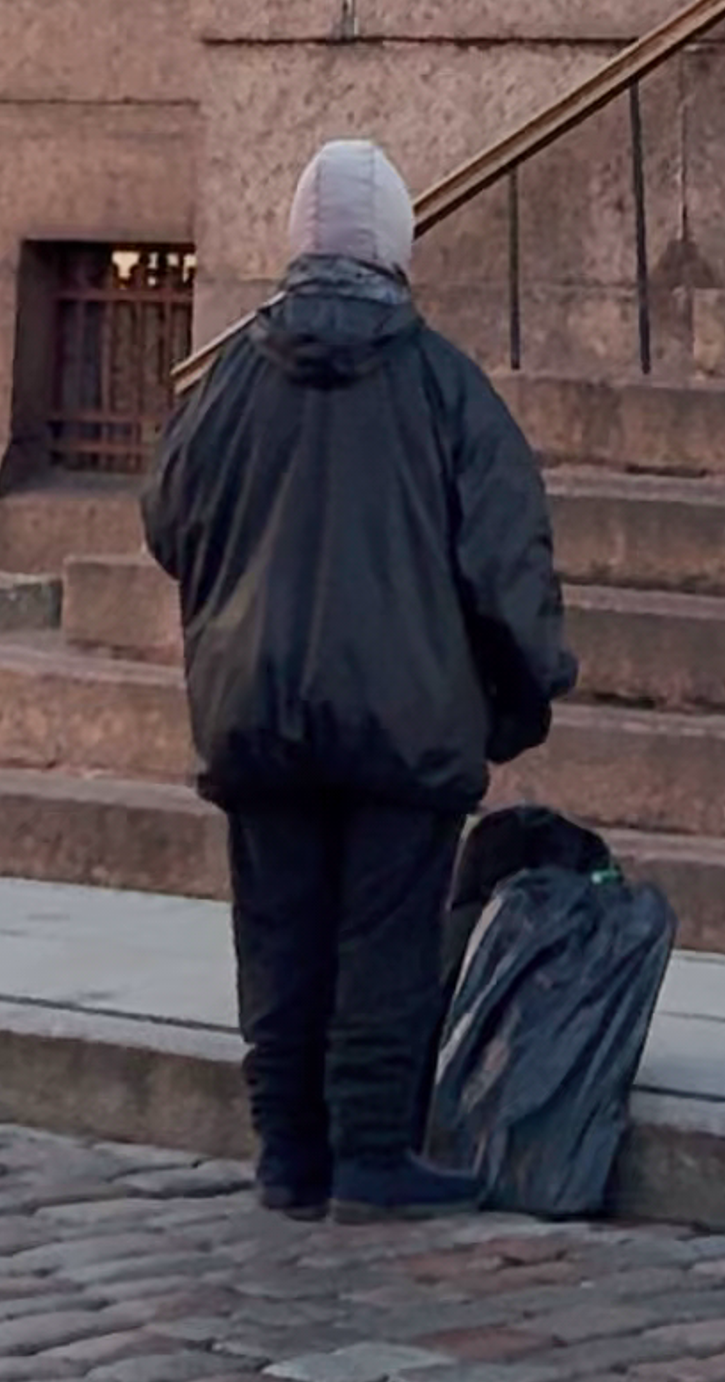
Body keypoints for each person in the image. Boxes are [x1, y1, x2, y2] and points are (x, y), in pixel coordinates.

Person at [141, 134, 574, 1225]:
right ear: (395, 245)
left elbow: (169, 514)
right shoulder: (444, 385)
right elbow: (505, 556)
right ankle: (373, 1148)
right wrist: (523, 693)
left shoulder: (233, 374)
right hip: (403, 709)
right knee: (384, 932)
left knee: (277, 931)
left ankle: (289, 1153)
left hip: (258, 704)